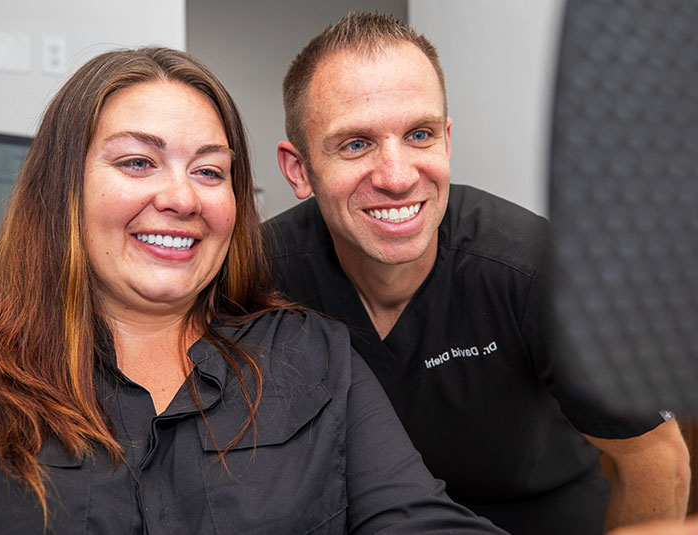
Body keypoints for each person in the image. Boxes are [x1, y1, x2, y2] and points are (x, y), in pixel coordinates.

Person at [0, 47, 507, 534]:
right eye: (138, 162)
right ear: (63, 185)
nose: (183, 198)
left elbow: (417, 518)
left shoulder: (313, 354)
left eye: (210, 171)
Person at [265, 12, 691, 535]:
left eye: (419, 134)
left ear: (446, 142)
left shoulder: (536, 270)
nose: (397, 178)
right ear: (299, 169)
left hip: (539, 516)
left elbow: (657, 462)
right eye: (355, 144)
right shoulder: (262, 277)